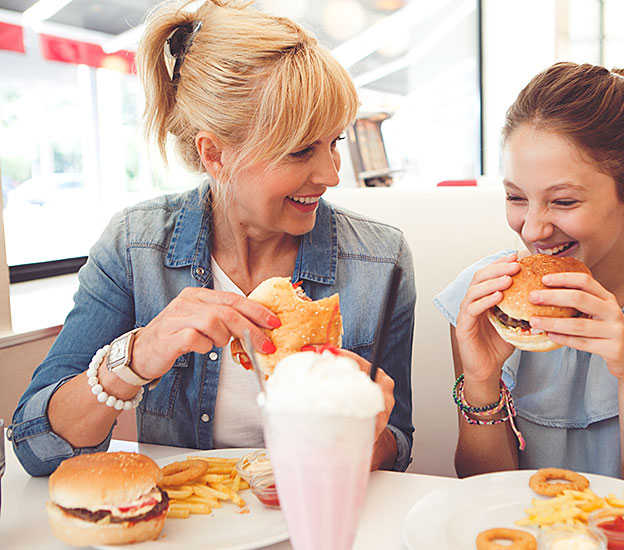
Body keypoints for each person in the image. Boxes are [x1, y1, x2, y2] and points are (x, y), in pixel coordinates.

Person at [9, 0, 414, 477]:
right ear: (214, 154)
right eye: (301, 149)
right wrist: (136, 359)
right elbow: (35, 447)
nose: (329, 174)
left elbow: (399, 444)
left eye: (334, 143)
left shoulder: (380, 260)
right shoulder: (135, 247)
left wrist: (364, 431)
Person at [434, 62, 624, 503]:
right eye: (516, 197)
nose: (533, 229)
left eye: (563, 201)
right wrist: (481, 379)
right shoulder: (485, 301)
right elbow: (484, 488)